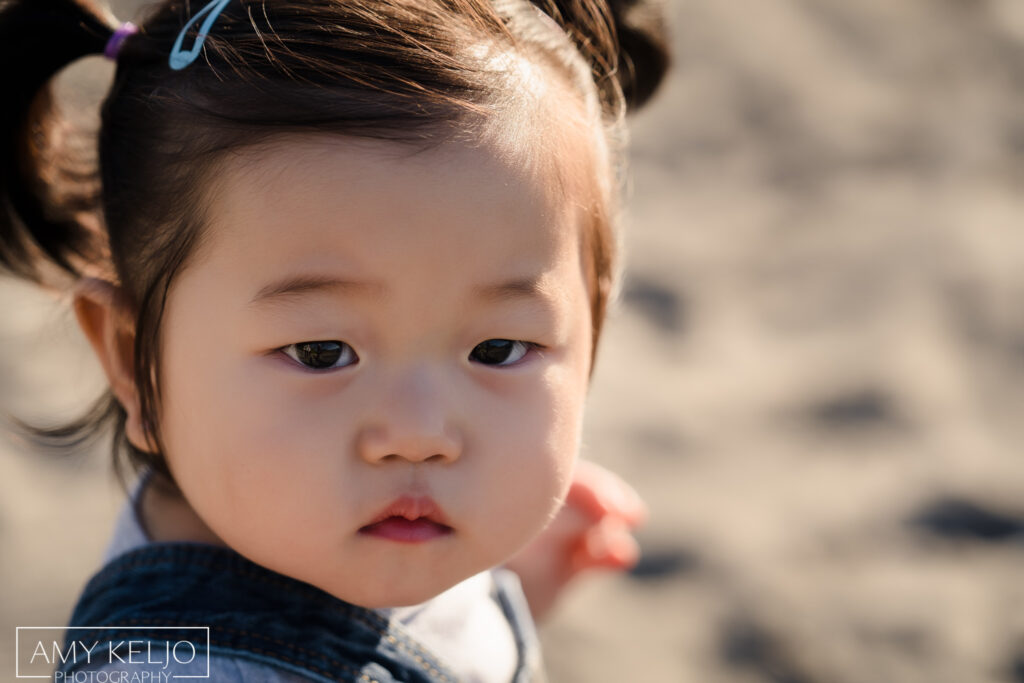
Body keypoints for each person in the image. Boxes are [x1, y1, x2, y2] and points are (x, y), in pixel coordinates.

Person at [0, 0, 669, 679]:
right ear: (129, 357)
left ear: (592, 327)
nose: (418, 432)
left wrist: (483, 604)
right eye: (322, 354)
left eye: (496, 350)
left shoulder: (326, 524)